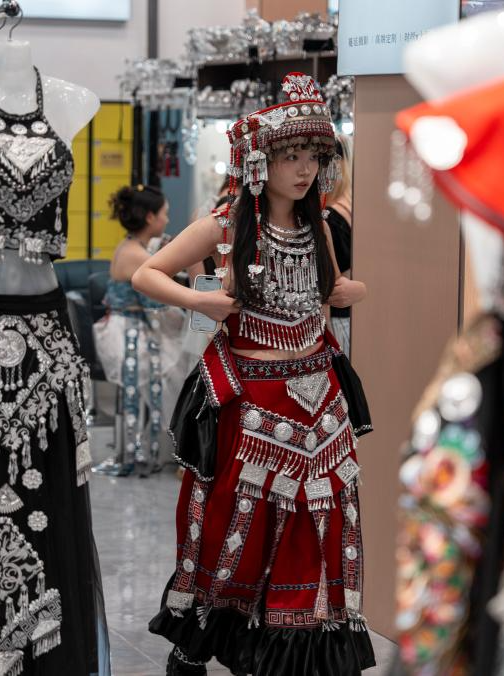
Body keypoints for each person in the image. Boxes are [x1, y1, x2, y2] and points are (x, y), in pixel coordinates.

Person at [132, 73, 374, 675]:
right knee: (237, 524)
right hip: (252, 400)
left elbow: (325, 299)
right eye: (292, 156)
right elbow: (146, 274)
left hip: (320, 398)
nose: (305, 169)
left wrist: (345, 291)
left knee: (321, 520)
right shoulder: (226, 224)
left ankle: (296, 645)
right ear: (261, 162)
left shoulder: (319, 227)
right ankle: (207, 637)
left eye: (313, 157)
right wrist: (200, 300)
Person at [92, 184, 185, 477]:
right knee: (180, 367)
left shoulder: (131, 246)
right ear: (150, 217)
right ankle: (170, 446)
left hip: (125, 326)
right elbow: (158, 305)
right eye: (164, 214)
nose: (167, 220)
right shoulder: (137, 256)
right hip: (126, 334)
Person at [325, 134, 358, 355]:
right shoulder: (353, 207)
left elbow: (330, 285)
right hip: (352, 317)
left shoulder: (331, 217)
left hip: (338, 322)